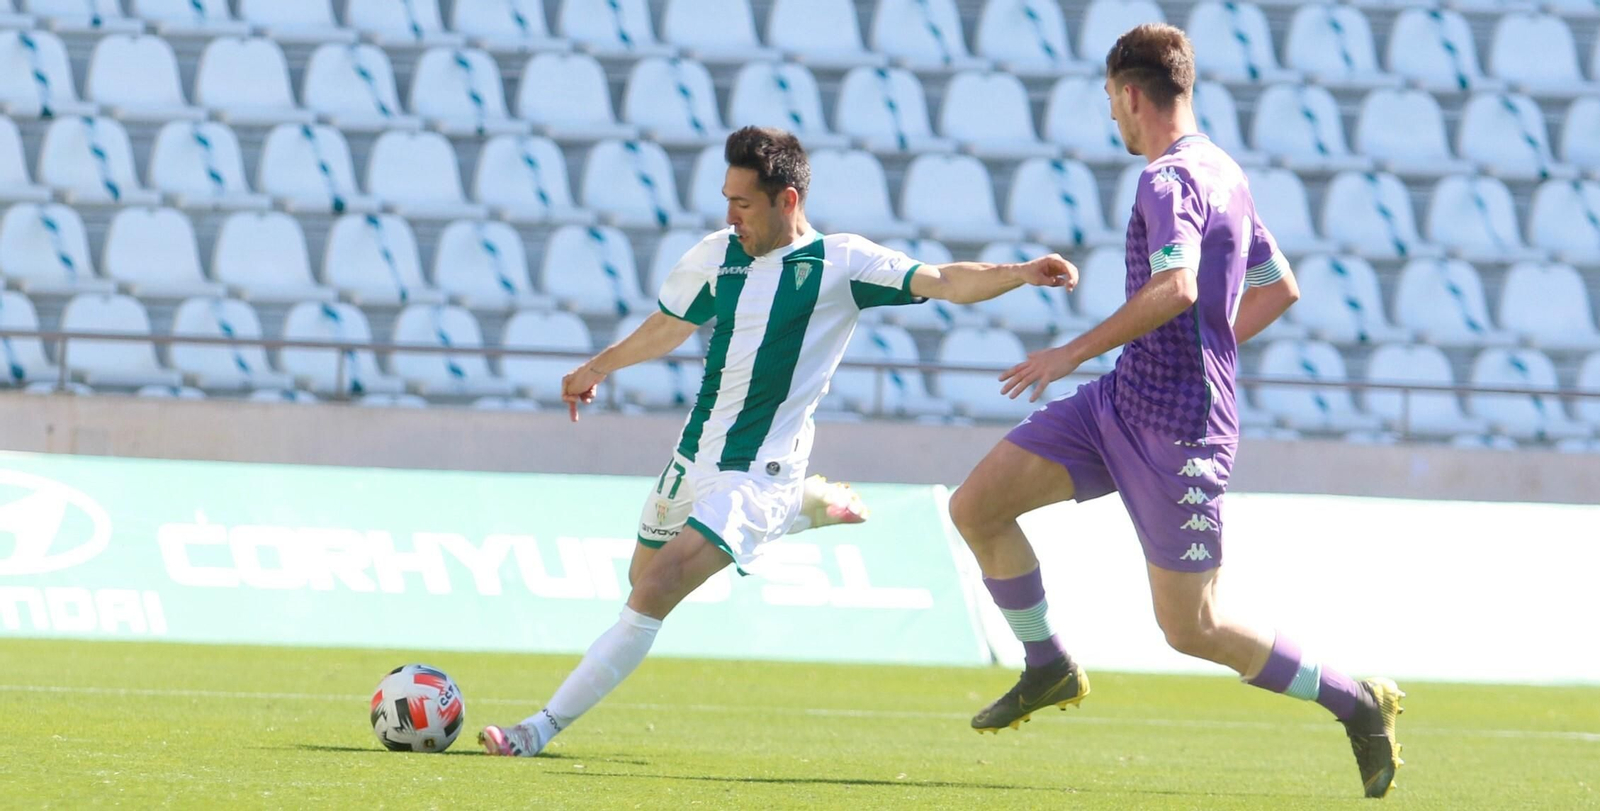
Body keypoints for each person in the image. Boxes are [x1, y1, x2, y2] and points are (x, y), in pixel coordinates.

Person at [480, 125, 1078, 757]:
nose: (730, 216)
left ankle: (536, 730)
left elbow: (946, 280)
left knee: (655, 593)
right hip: (694, 456)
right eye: (727, 201)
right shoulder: (717, 254)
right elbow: (669, 325)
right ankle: (797, 511)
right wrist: (596, 368)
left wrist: (1020, 273)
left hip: (758, 472)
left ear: (786, 200)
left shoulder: (841, 263)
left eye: (742, 203)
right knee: (642, 579)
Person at [946, 24, 1405, 799]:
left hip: (1180, 430)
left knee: (1194, 626)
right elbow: (1279, 287)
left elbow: (1179, 286)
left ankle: (1355, 701)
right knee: (976, 506)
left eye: (1109, 100)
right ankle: (1047, 663)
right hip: (1121, 402)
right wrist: (1203, 346)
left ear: (1131, 94)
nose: (1111, 116)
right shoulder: (1225, 172)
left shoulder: (1165, 181)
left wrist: (1070, 352)